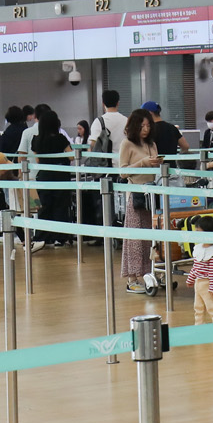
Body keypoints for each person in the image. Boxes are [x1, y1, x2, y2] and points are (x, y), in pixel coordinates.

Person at [117, 109, 162, 294]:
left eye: (148, 125)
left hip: (152, 195)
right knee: (135, 239)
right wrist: (142, 163)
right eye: (142, 125)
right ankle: (132, 278)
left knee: (151, 237)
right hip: (135, 194)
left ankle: (150, 273)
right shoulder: (127, 144)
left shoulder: (151, 143)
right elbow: (122, 171)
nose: (145, 129)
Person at [29, 110, 74, 246]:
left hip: (44, 176)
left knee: (44, 206)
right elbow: (71, 156)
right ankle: (60, 237)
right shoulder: (61, 138)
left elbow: (37, 160)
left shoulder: (36, 140)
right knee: (60, 207)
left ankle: (43, 237)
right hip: (61, 176)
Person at [92, 90, 128, 160]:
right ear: (118, 103)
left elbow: (93, 144)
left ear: (103, 104)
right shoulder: (126, 120)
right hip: (124, 162)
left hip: (105, 165)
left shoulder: (98, 121)